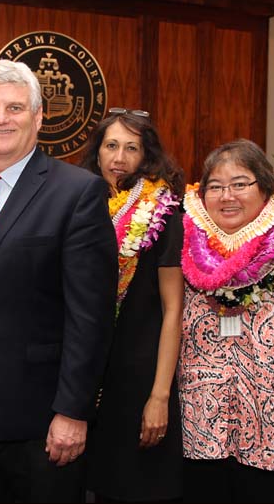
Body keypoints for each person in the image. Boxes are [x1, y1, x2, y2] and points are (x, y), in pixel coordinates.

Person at [0, 59, 117, 503]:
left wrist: (73, 412)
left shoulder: (77, 191)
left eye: (15, 108)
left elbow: (90, 317)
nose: (2, 119)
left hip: (43, 421)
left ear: (38, 117)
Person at [179, 138, 274, 503]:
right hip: (202, 424)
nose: (226, 196)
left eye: (240, 183)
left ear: (266, 189)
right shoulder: (184, 257)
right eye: (215, 186)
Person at [80, 108, 185, 502]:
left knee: (139, 487)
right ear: (97, 152)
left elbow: (173, 310)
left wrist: (159, 395)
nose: (119, 158)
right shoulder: (79, 207)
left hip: (141, 375)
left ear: (147, 156)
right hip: (90, 374)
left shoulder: (164, 212)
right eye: (111, 146)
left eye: (131, 148)